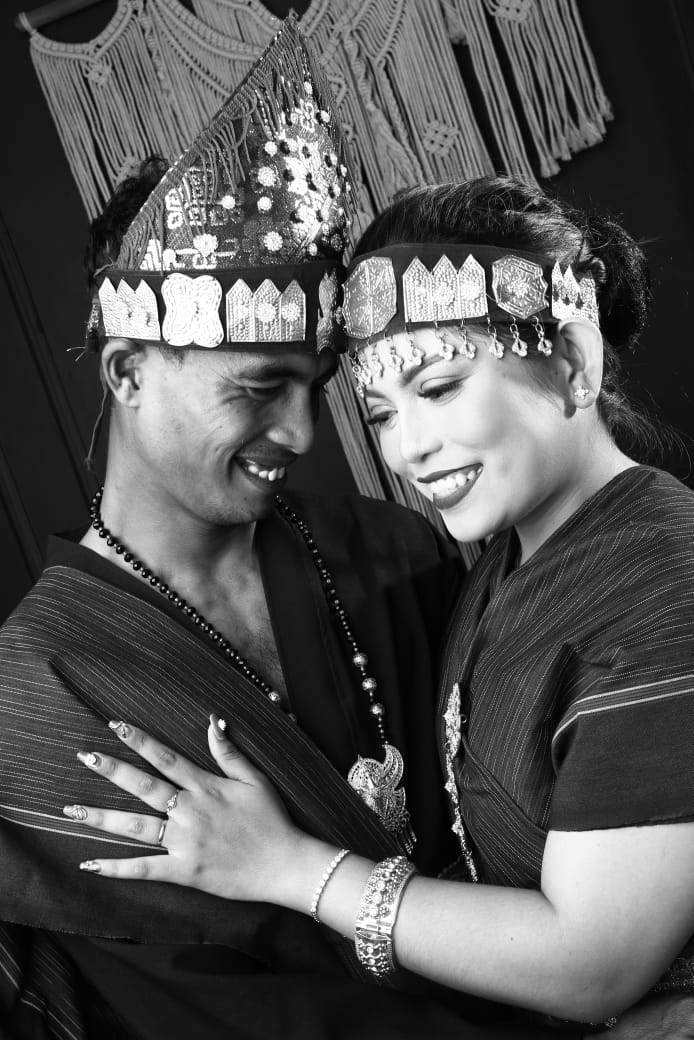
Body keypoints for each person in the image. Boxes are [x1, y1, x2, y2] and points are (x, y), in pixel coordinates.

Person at [0, 22, 534, 1040]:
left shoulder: (394, 552)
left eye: (316, 387)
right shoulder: (39, 689)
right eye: (257, 388)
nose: (300, 432)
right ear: (127, 372)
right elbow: (202, 1006)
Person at [69, 177, 694, 1037]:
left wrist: (292, 869)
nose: (410, 450)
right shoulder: (498, 565)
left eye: (437, 388)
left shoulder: (663, 582)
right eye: (380, 414)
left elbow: (592, 967)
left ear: (575, 364)